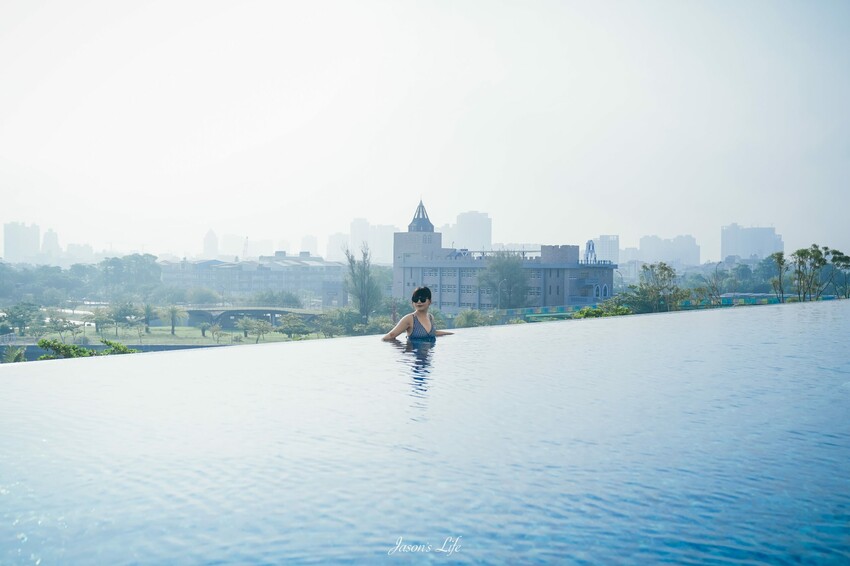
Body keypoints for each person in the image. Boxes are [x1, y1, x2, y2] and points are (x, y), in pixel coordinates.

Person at [382, 286, 454, 341]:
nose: (419, 302)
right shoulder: (410, 319)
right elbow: (390, 336)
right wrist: (402, 350)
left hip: (429, 357)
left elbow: (433, 333)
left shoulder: (430, 317)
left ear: (430, 301)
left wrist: (452, 334)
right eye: (415, 299)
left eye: (422, 299)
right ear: (412, 302)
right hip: (414, 357)